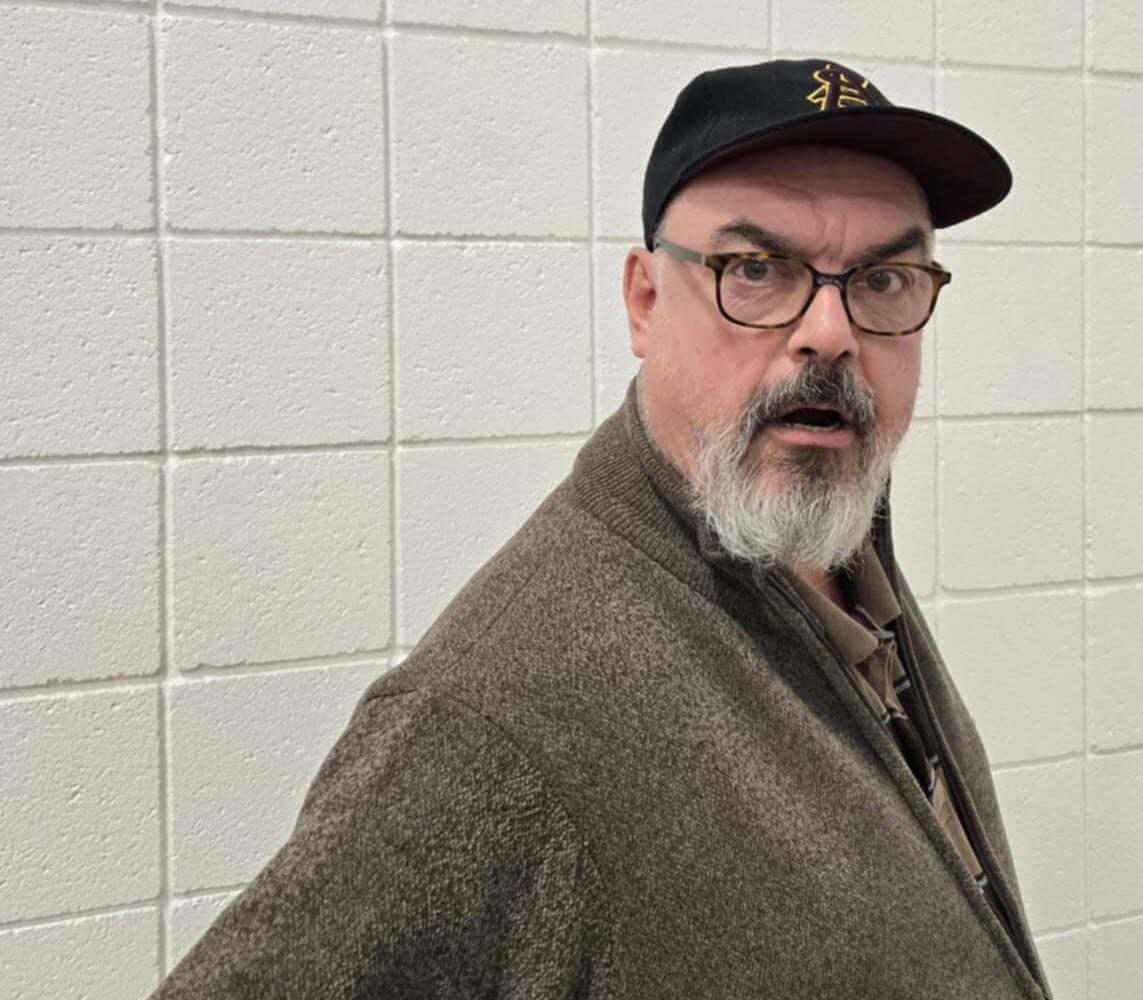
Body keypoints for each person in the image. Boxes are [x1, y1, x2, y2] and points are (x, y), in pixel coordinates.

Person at [152, 58, 1050, 999]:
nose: (830, 330)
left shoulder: (832, 557)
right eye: (755, 269)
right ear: (646, 301)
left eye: (885, 278)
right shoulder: (497, 716)